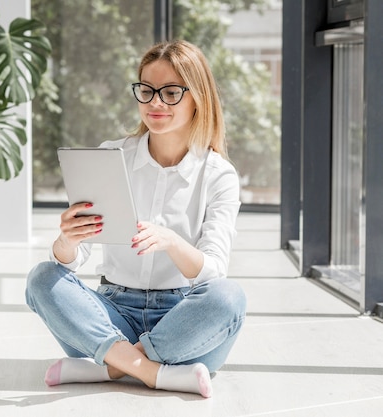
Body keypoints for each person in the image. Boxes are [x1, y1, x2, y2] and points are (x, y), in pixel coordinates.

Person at [25, 40, 246, 398]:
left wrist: (172, 242)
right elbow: (73, 259)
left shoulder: (219, 175)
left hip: (181, 321)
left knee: (228, 297)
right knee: (42, 278)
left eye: (171, 92)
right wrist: (67, 241)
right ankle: (155, 372)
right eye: (146, 91)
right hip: (111, 314)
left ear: (197, 98)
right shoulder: (112, 156)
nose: (155, 102)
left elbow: (213, 271)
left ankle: (108, 367)